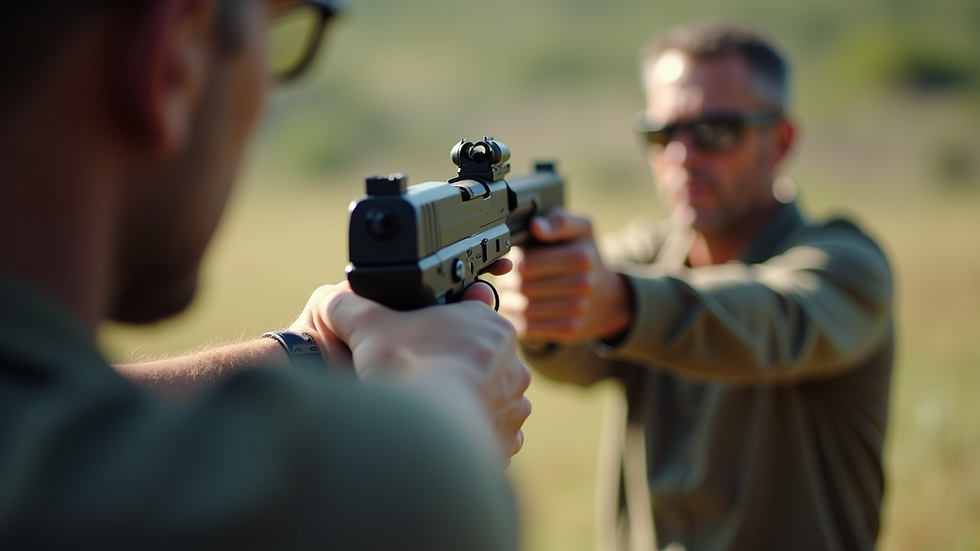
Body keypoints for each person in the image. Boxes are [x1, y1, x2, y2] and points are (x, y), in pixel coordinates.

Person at [0, 1, 531, 549]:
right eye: (274, 34)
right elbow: (422, 482)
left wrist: (311, 351)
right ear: (172, 58)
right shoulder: (398, 477)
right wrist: (449, 392)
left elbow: (60, 410)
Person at [498, 21, 894, 551]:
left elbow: (775, 321)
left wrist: (619, 304)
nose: (682, 157)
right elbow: (577, 360)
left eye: (715, 132)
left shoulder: (848, 263)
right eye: (662, 135)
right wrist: (543, 307)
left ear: (780, 141)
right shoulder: (645, 255)